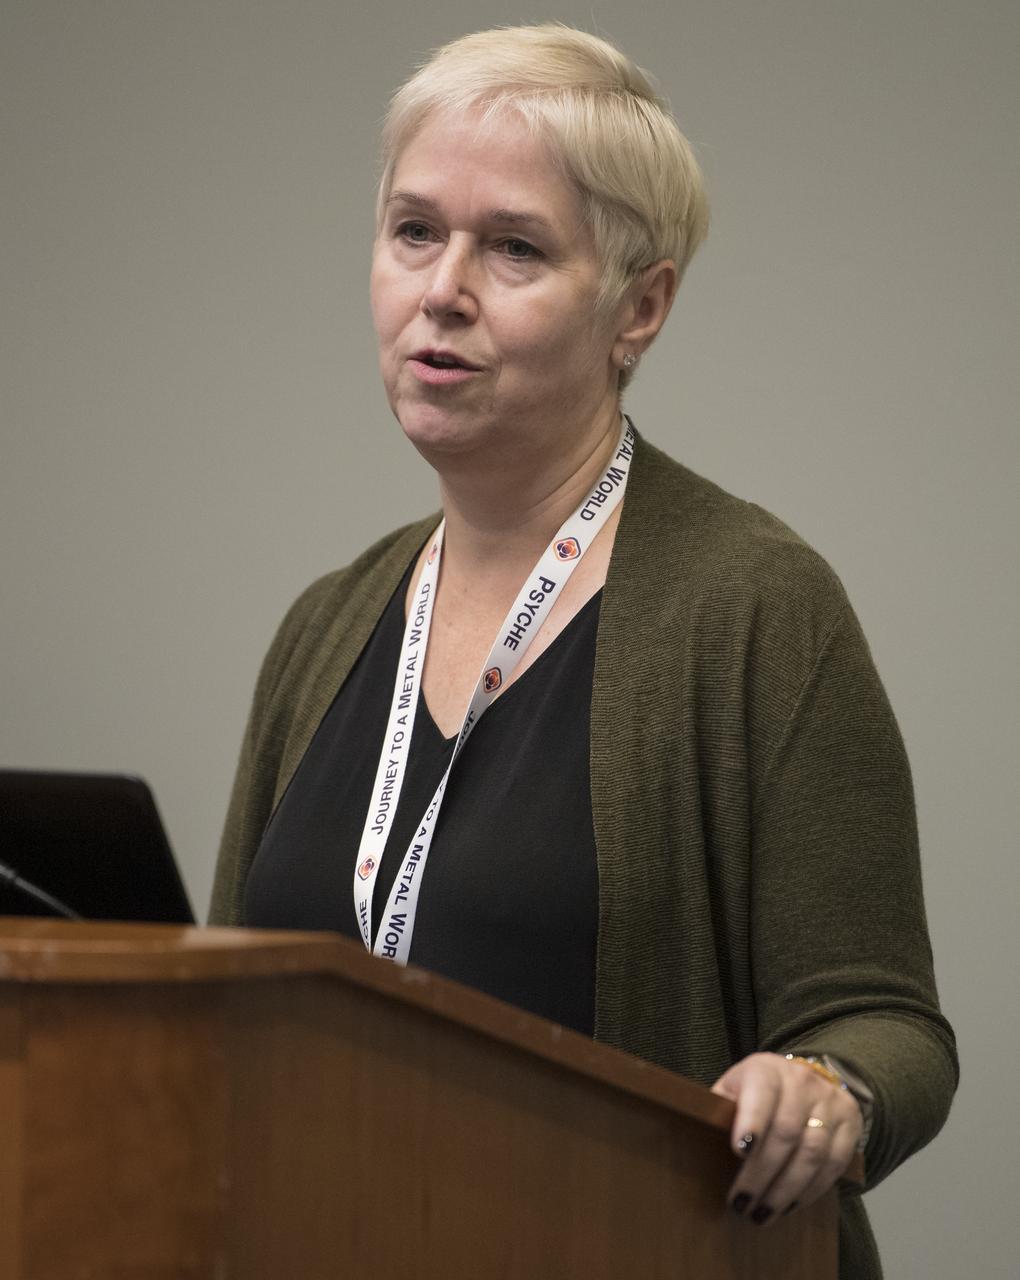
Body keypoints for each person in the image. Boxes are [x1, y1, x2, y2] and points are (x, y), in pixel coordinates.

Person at [209, 23, 957, 1278]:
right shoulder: (327, 621)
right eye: (412, 231)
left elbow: (891, 1029)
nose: (442, 287)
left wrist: (825, 1083)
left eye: (512, 247)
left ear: (641, 305)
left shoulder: (757, 607)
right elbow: (223, 1004)